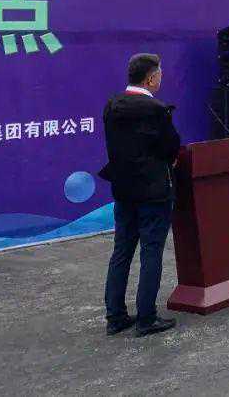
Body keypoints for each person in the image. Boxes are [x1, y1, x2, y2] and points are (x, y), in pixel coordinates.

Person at [100, 53, 181, 337]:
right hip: (154, 192)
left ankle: (115, 316)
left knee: (121, 251)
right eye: (159, 74)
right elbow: (171, 147)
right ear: (150, 78)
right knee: (151, 252)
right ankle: (146, 317)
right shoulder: (156, 109)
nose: (161, 78)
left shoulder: (112, 106)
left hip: (123, 190)